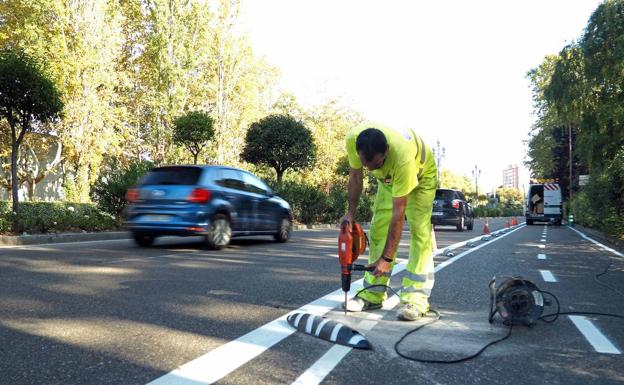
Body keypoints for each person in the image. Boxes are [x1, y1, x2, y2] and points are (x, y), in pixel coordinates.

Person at [339, 123, 437, 321]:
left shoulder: (402, 158)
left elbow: (398, 214)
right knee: (378, 229)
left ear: (386, 152)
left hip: (422, 176)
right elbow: (356, 178)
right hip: (388, 181)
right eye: (368, 166)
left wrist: (387, 258)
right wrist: (350, 213)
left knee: (419, 233)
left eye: (377, 165)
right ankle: (373, 293)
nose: (371, 169)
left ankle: (415, 299)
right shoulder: (353, 139)